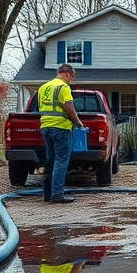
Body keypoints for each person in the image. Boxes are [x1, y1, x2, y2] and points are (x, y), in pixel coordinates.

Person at [37, 63, 85, 203]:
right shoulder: (63, 87)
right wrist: (78, 123)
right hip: (61, 128)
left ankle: (47, 194)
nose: (72, 80)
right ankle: (57, 194)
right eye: (72, 77)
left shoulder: (43, 87)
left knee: (50, 160)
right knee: (61, 160)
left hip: (45, 127)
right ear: (68, 73)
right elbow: (69, 108)